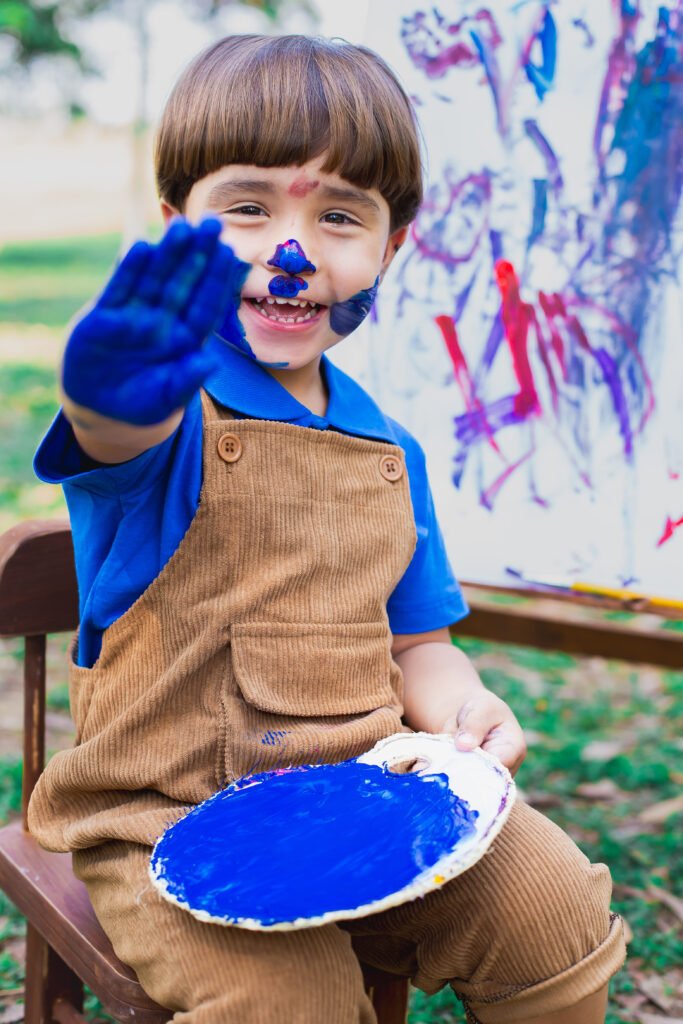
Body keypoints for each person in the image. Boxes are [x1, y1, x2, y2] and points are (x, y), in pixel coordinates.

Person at [28, 34, 625, 1024]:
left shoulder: (389, 449)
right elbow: (115, 437)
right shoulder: (165, 416)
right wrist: (106, 401)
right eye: (247, 209)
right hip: (166, 822)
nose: (288, 250)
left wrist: (463, 707)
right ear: (178, 229)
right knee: (288, 1004)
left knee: (549, 908)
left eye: (337, 215)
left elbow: (418, 646)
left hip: (366, 792)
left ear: (390, 247)